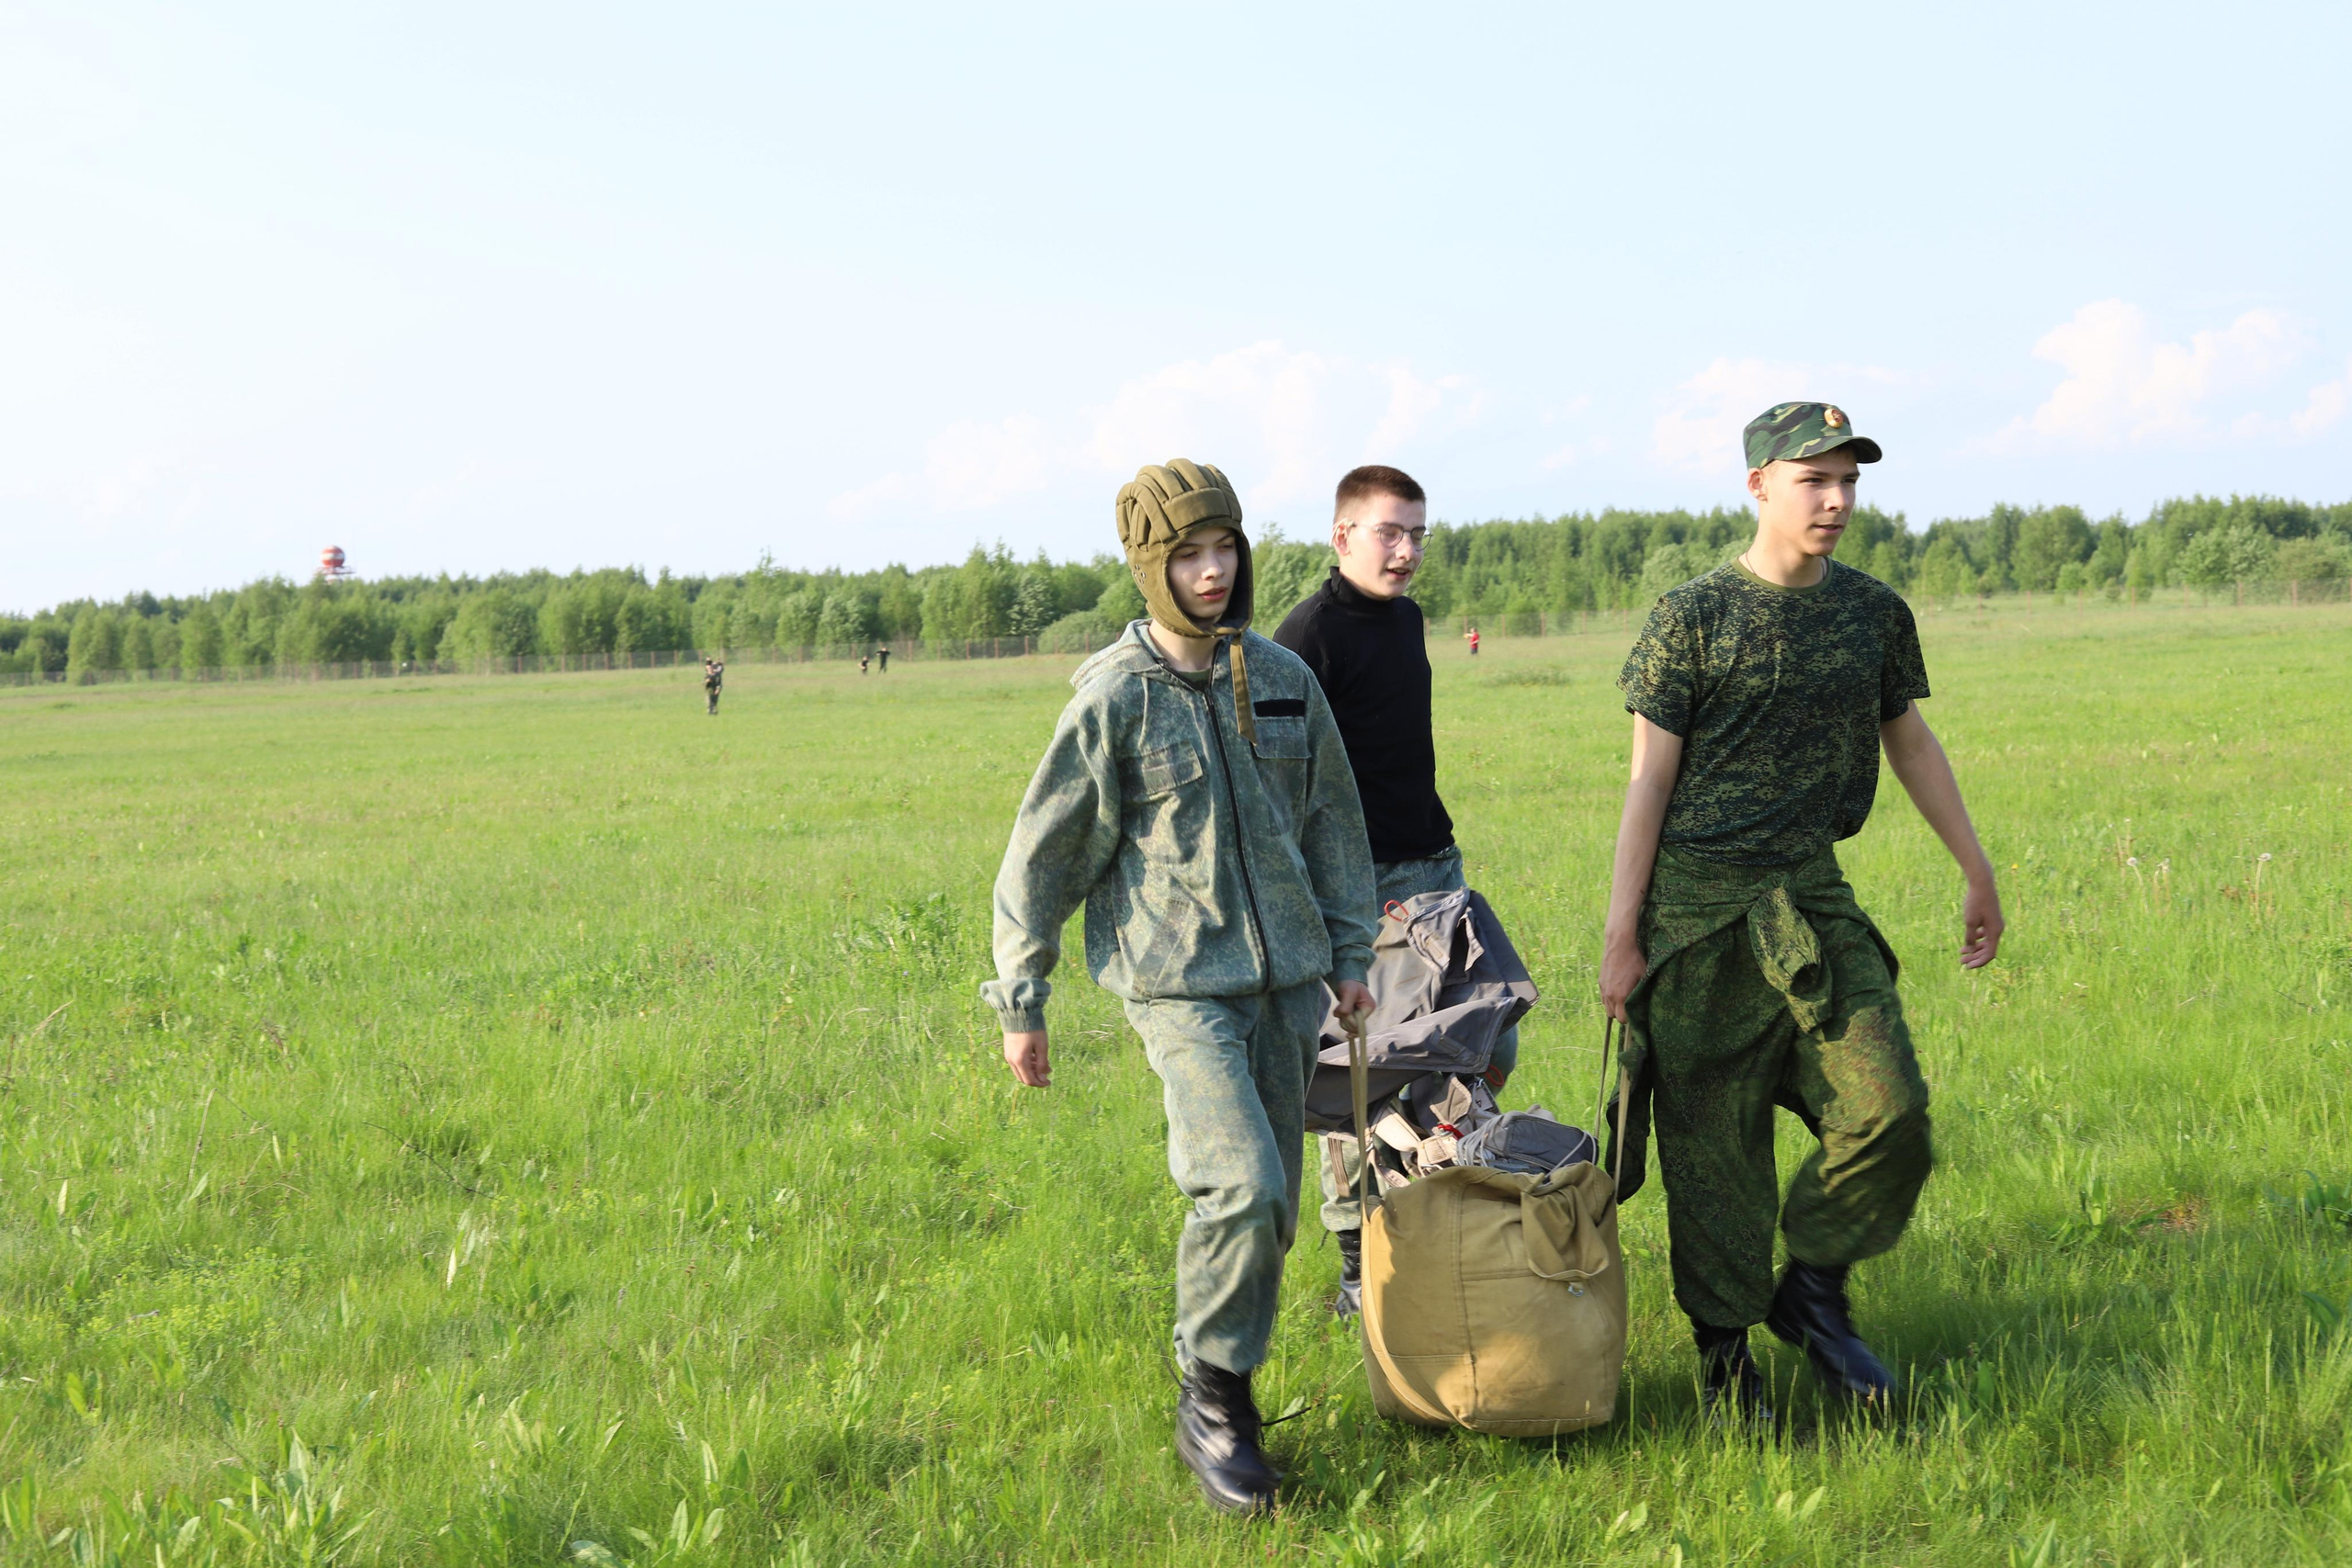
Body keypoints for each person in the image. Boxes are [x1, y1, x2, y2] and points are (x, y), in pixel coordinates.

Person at [984, 459, 1377, 1515]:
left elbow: (1336, 825)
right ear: (1148, 568)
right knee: (1240, 1185)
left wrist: (1348, 956)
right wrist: (1022, 1000)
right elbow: (1042, 858)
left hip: (1289, 982)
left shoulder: (1285, 678)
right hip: (1176, 986)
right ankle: (1213, 1405)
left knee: (1277, 1208)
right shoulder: (1115, 702)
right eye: (1187, 555)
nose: (1212, 572)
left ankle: (1226, 1382)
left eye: (1225, 548)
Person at [1600, 402, 2004, 1424]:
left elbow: (1906, 738)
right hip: (1696, 916)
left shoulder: (1871, 612)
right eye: (1812, 480)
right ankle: (1726, 1366)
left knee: (1889, 1109)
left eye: (1848, 482)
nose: (1834, 501)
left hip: (1812, 901)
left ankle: (1813, 1293)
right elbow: (1647, 782)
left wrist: (1975, 867)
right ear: (1758, 486)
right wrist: (1622, 934)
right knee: (1713, 1153)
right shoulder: (1689, 616)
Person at [1272, 463, 1515, 1317]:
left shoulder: (1407, 619)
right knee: (1360, 1074)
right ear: (1343, 537)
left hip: (1435, 868)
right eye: (1389, 531)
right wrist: (1331, 905)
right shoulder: (1305, 638)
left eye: (1418, 532)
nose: (1407, 550)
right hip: (1363, 891)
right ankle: (1356, 1263)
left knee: (1484, 1045)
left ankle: (1437, 1212)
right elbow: (1279, 781)